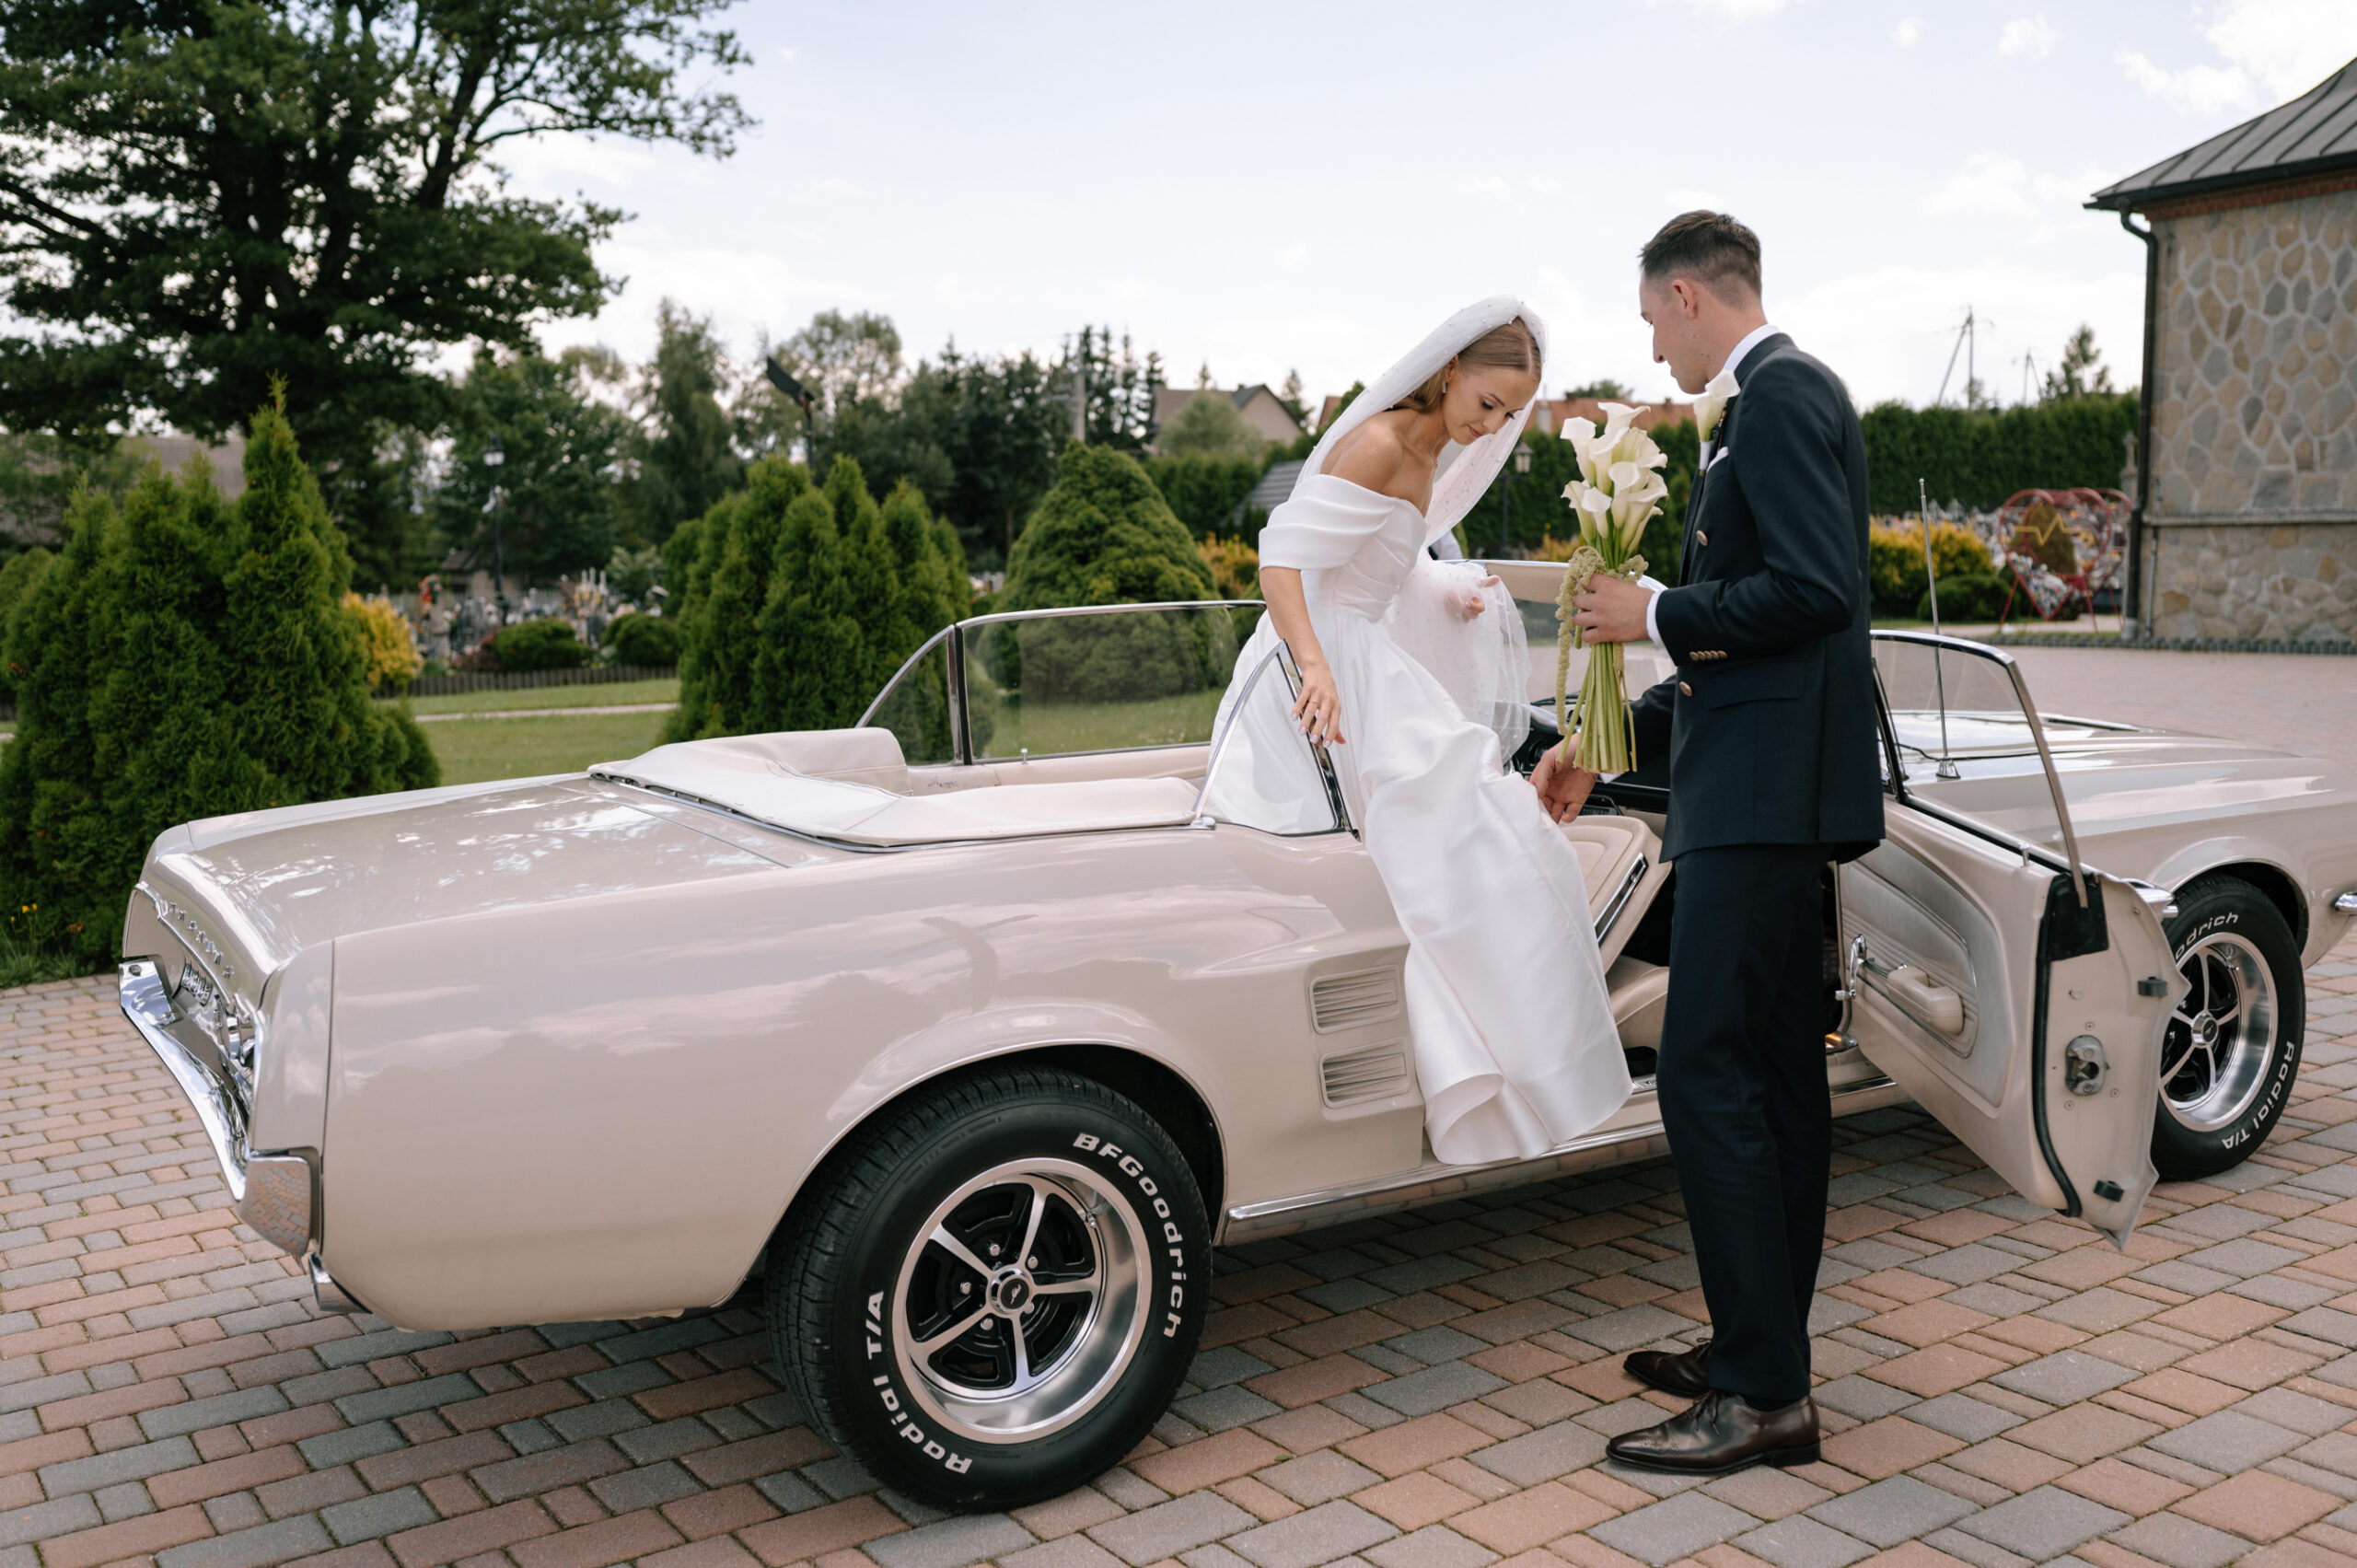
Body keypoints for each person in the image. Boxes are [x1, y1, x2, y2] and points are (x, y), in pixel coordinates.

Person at [1536, 213, 1883, 1475]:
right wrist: (1604, 736)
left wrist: (1653, 608)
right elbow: (1748, 657)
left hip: (1763, 801)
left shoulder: (1778, 394)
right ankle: (1760, 1344)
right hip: (1763, 788)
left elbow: (1813, 591)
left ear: (1687, 295)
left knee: (1705, 1072)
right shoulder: (1766, 402)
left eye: (1650, 320)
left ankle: (1762, 1393)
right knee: (1775, 1074)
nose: (1652, 350)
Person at [1210, 296, 1631, 1167]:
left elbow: (1377, 564)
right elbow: (1280, 559)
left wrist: (1445, 591)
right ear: (1448, 371)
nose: (1492, 427)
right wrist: (1316, 668)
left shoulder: (1432, 455)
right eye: (1487, 403)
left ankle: (1520, 1073)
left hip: (1366, 668)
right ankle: (1475, 1078)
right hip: (1324, 675)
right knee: (1464, 848)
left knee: (1500, 846)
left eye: (1509, 416)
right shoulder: (1379, 442)